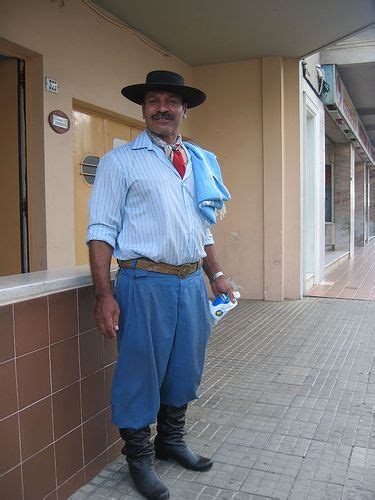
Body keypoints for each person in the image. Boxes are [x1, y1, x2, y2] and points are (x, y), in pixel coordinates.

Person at [87, 70, 234, 499]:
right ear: (144, 109)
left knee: (185, 367)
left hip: (190, 283)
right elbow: (101, 230)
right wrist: (104, 294)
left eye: (171, 101)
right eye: (154, 101)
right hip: (142, 280)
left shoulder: (199, 162)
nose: (162, 108)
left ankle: (170, 442)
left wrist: (217, 275)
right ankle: (139, 458)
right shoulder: (121, 161)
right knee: (139, 371)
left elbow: (202, 229)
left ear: (184, 110)